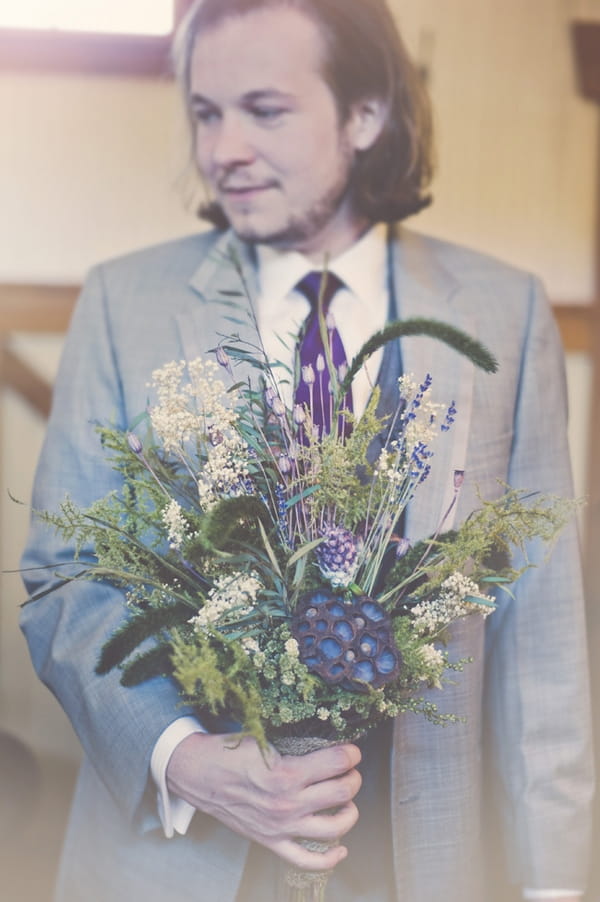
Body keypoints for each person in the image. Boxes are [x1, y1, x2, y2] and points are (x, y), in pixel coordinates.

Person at [20, 1, 594, 900]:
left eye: (265, 109)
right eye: (206, 113)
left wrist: (555, 887)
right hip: (177, 864)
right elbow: (65, 579)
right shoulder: (123, 302)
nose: (223, 151)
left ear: (364, 115)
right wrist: (183, 759)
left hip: (420, 862)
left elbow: (541, 632)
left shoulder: (503, 313)